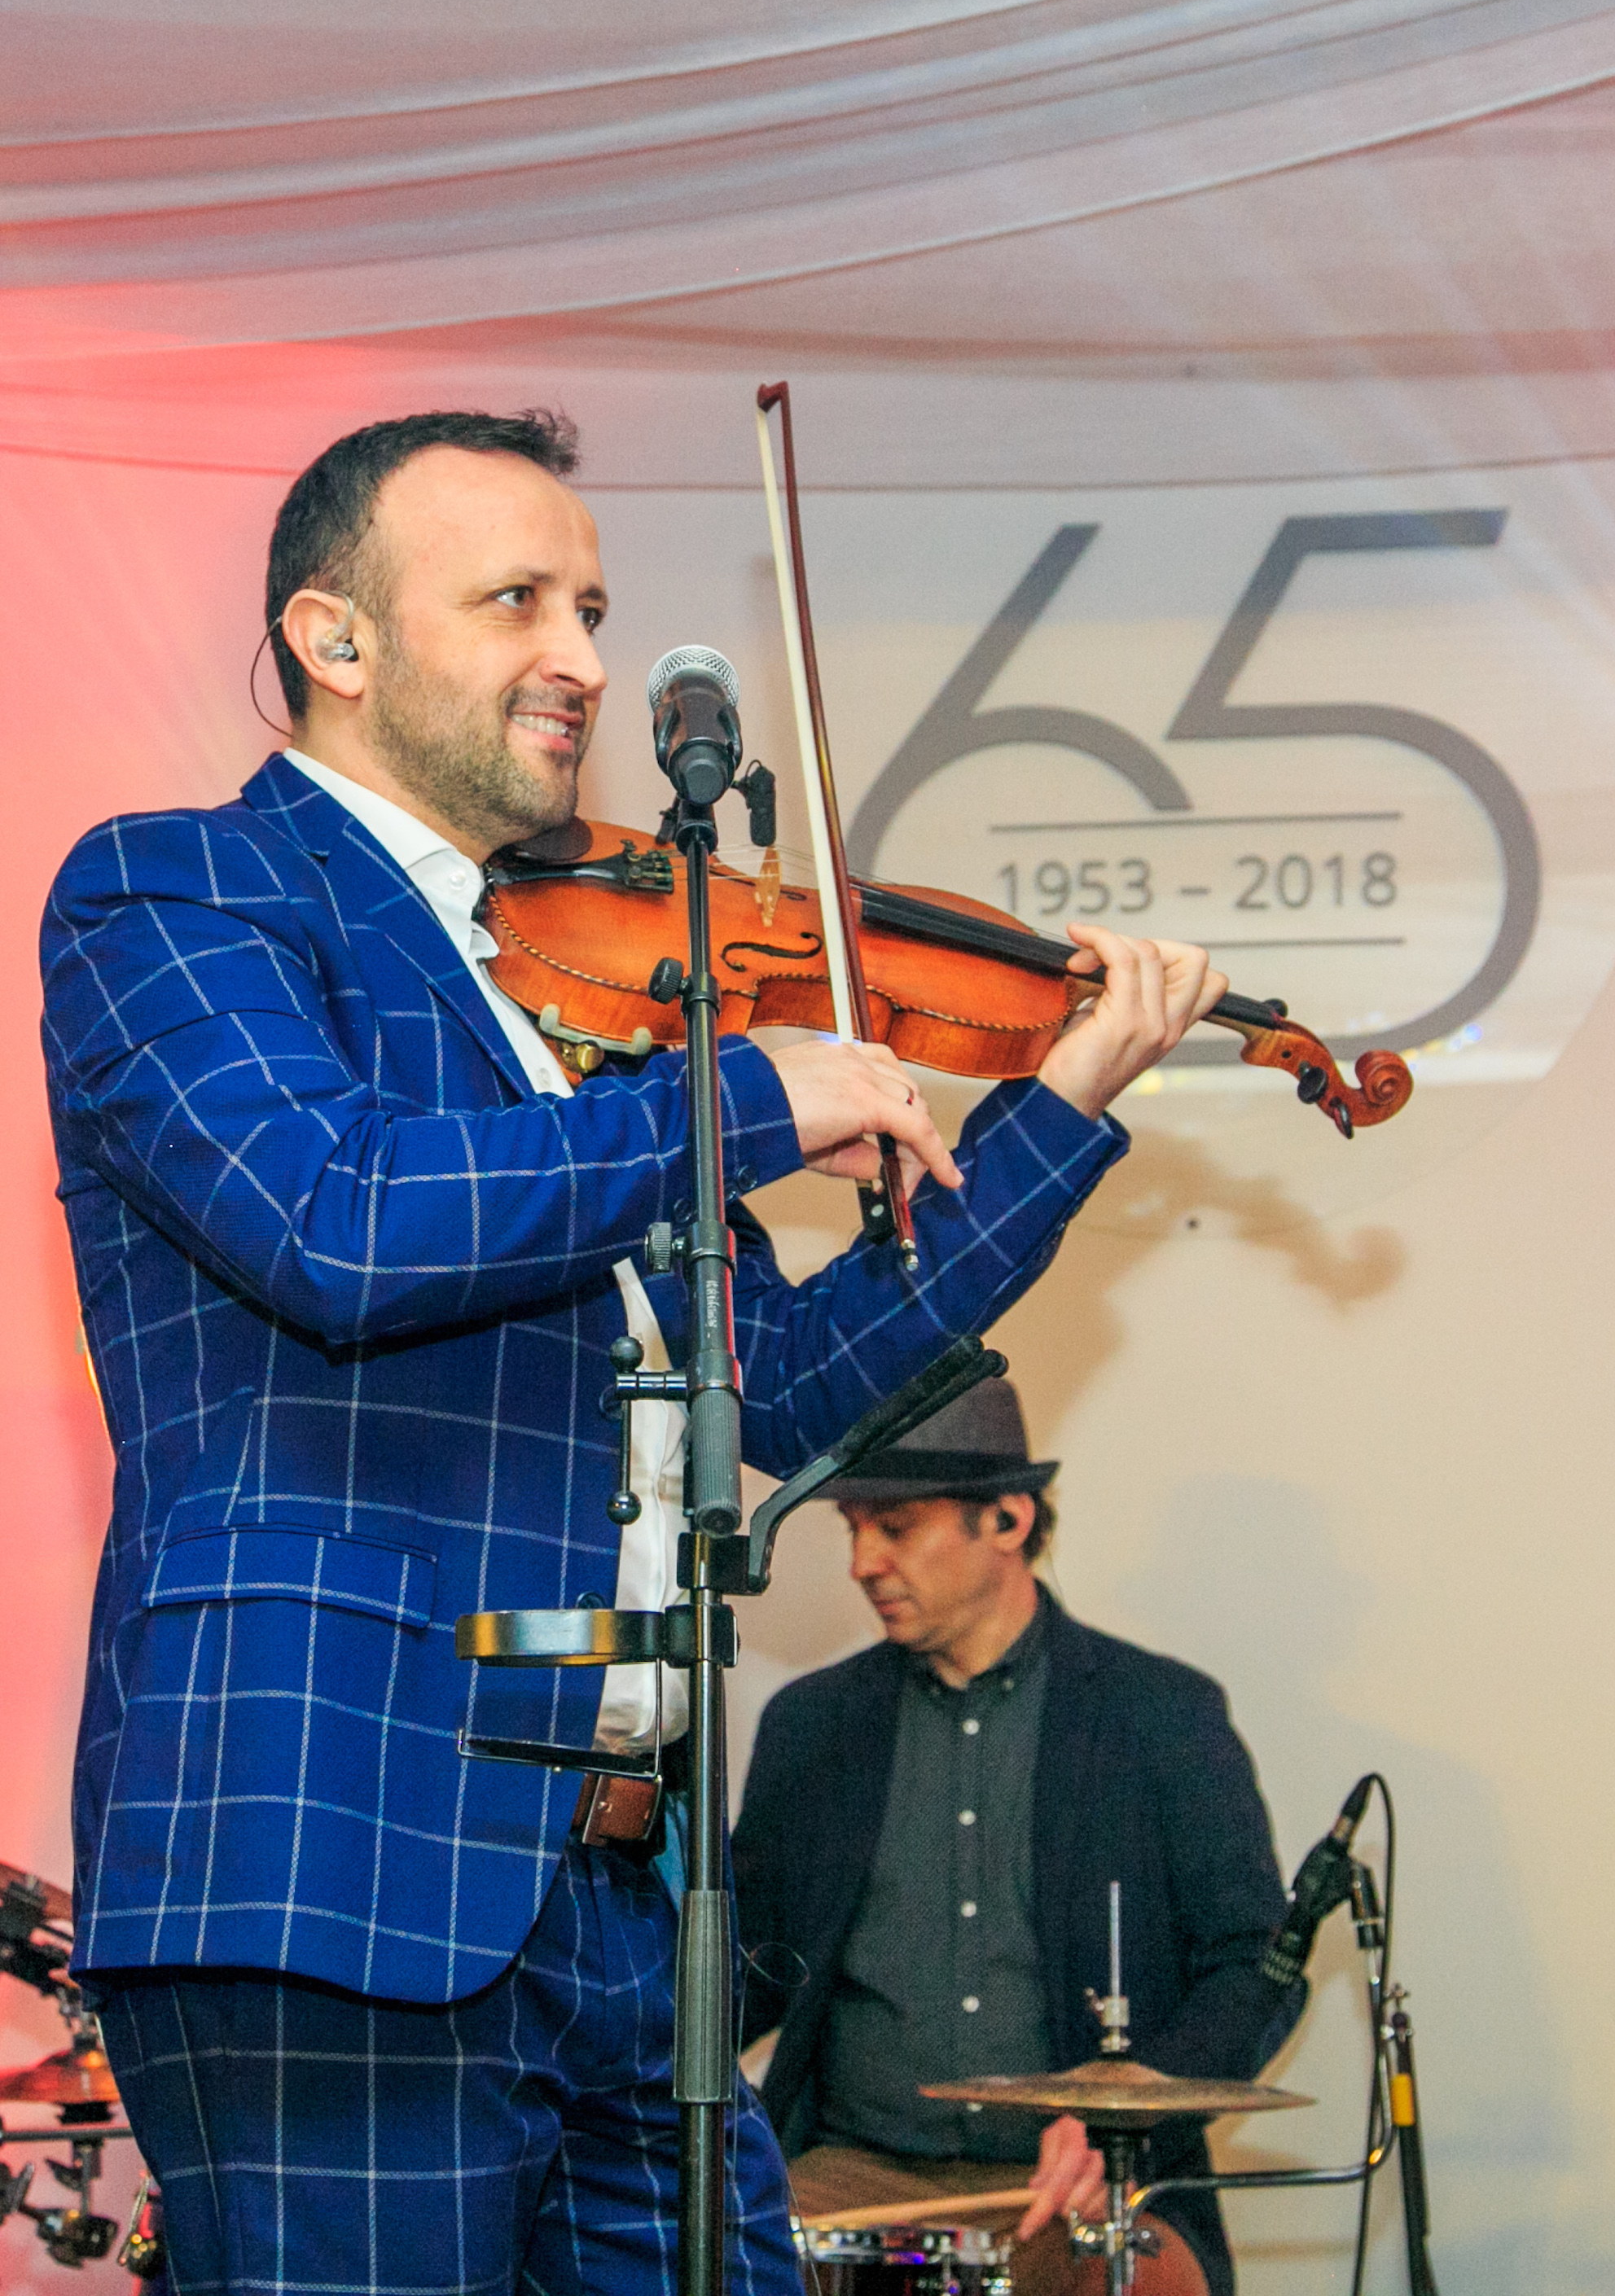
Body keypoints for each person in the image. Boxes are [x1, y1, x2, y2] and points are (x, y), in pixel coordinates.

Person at [39, 406, 1226, 2296]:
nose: (582, 657)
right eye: (513, 600)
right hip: (335, 1849)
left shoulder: (582, 1005)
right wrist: (743, 1094)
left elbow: (801, 1381)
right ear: (335, 639)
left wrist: (1056, 1105)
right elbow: (333, 1218)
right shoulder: (176, 888)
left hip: (613, 1884)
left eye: (588, 606)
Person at [731, 1377, 1303, 2296]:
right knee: (713, 2260)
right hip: (854, 2175)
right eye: (853, 1530)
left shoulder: (1161, 1715)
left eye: (896, 1527)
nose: (863, 1563)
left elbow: (1255, 1965)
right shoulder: (813, 1726)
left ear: (1006, 1519)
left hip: (1086, 2186)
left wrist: (1130, 2120)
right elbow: (745, 1969)